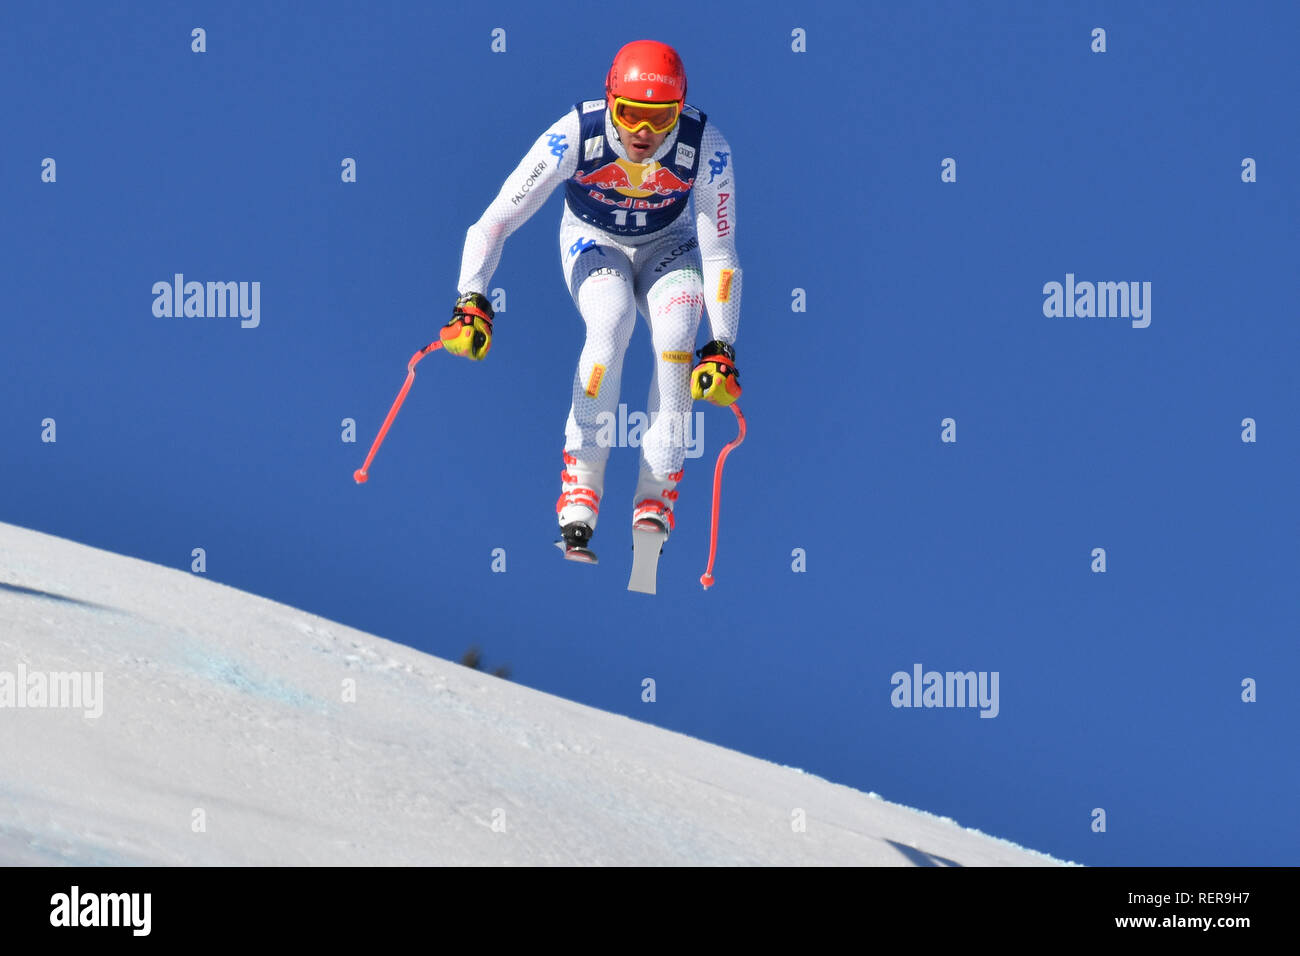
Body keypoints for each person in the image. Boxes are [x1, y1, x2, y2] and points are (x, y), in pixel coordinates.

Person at [444, 39, 742, 560]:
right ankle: (580, 484)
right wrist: (471, 298)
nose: (644, 133)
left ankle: (657, 492)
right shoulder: (575, 134)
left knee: (677, 338)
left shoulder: (706, 144)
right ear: (610, 103)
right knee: (611, 321)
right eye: (629, 114)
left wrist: (722, 346)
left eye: (661, 117)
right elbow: (495, 220)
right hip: (592, 239)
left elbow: (720, 253)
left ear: (680, 110)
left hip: (669, 245)